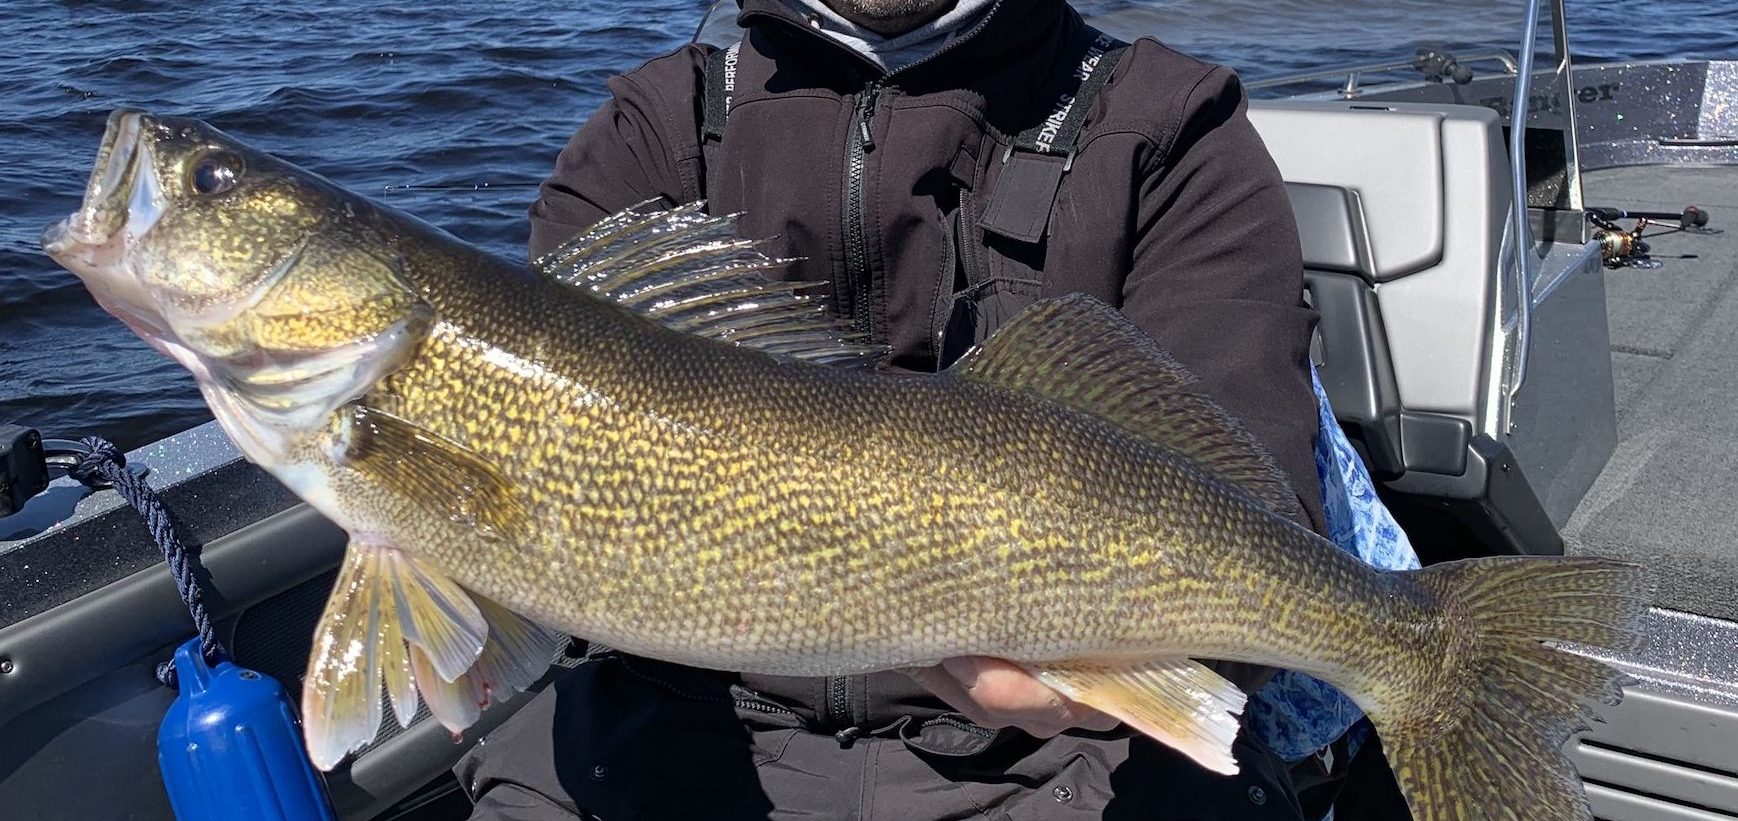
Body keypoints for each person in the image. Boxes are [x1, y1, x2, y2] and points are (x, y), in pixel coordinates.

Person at [456, 0, 1334, 817]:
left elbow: (1258, 520)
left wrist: (1115, 676)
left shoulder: (1171, 127)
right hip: (683, 712)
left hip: (1068, 762)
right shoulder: (655, 130)